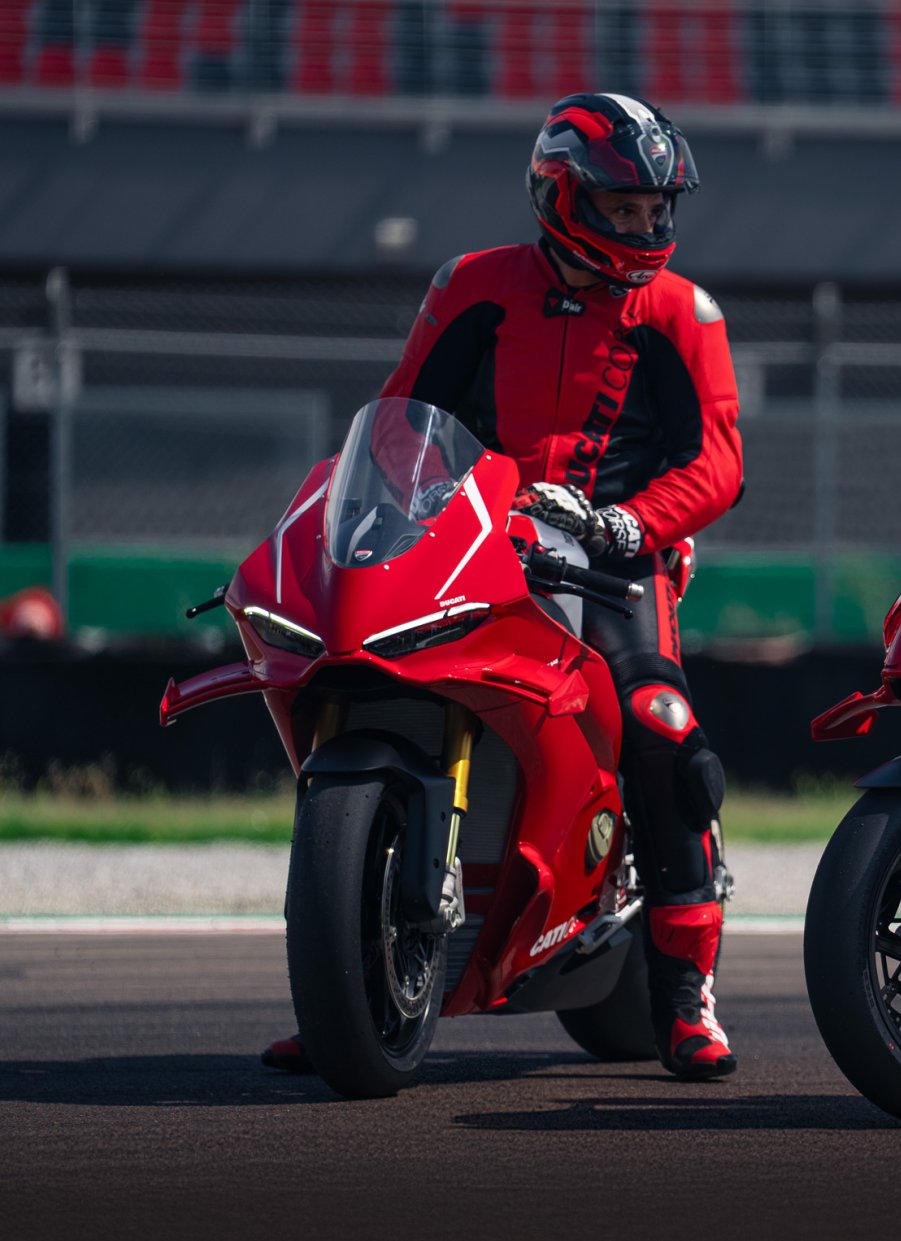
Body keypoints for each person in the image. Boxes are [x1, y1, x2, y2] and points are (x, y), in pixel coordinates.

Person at [265, 92, 744, 1080]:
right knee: (364, 675)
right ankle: (341, 985)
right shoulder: (471, 286)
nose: (644, 225)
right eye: (622, 206)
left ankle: (685, 993)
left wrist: (630, 523)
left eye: (655, 208)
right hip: (475, 539)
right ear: (561, 195)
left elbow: (717, 461)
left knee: (660, 726)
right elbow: (402, 416)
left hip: (614, 557)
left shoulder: (682, 311)